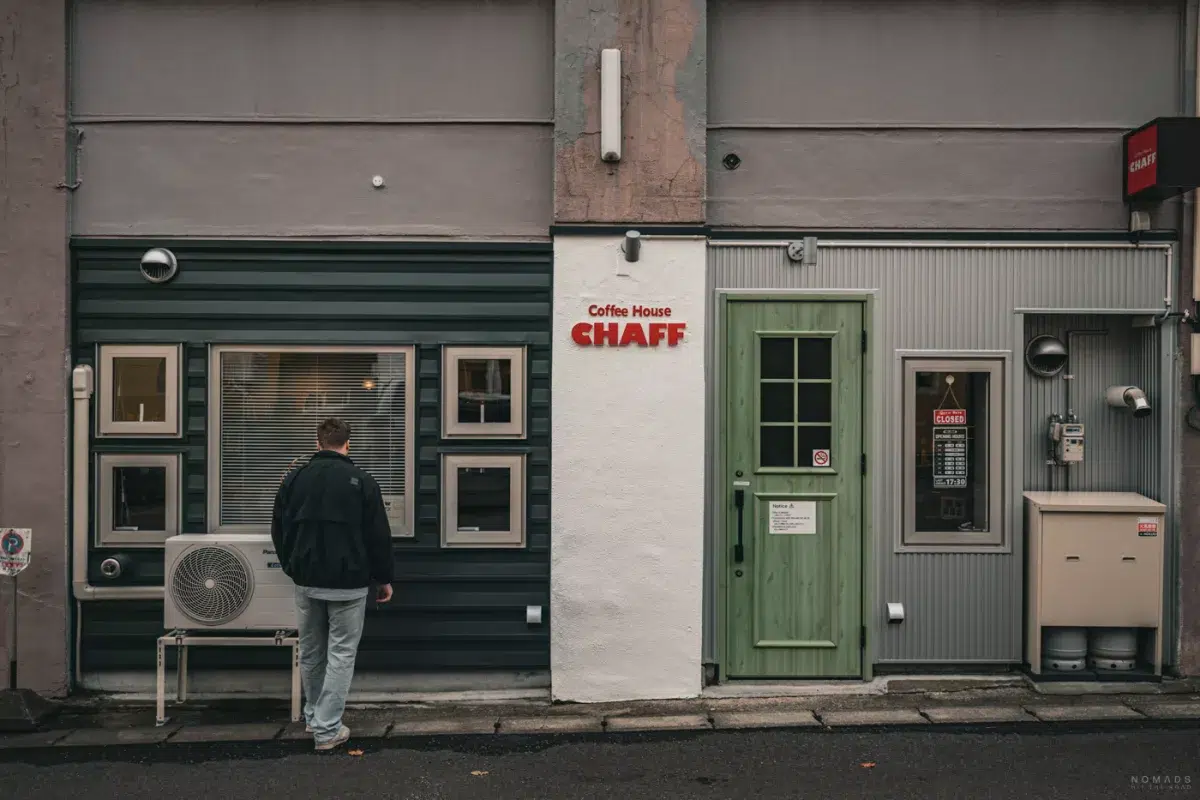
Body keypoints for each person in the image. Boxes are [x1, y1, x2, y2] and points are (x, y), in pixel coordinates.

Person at [271, 417, 394, 751]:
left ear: (317, 443)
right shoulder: (363, 481)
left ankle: (314, 718)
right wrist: (383, 579)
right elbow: (378, 536)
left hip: (307, 580)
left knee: (311, 650)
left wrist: (292, 566)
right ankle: (327, 729)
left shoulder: (294, 479)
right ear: (347, 444)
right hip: (349, 583)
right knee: (341, 652)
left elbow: (279, 528)